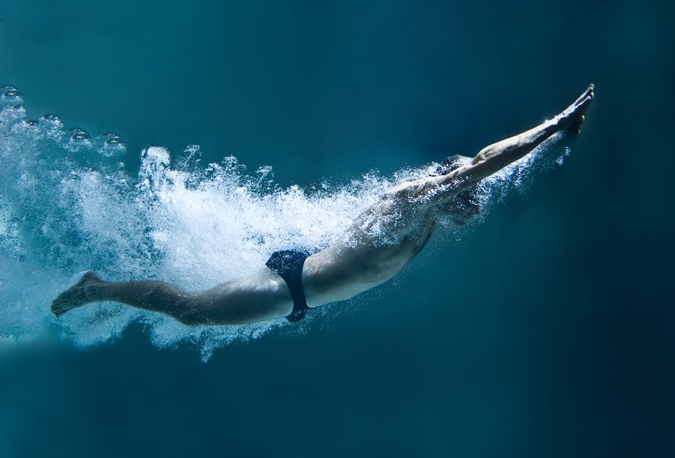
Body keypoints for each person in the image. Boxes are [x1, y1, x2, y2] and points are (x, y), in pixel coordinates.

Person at [51, 84, 594, 326]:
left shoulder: (429, 219)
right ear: (449, 182)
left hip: (301, 294)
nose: (476, 205)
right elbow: (487, 162)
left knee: (197, 314)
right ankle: (96, 287)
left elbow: (489, 173)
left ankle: (100, 288)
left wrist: (550, 150)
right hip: (288, 288)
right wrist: (551, 129)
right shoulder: (416, 200)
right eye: (468, 193)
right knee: (192, 313)